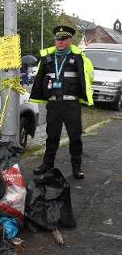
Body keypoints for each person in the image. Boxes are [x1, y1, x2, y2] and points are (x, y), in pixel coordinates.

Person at [29, 25, 94, 179]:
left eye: (63, 39)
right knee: (51, 136)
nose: (59, 42)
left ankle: (76, 167)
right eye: (57, 39)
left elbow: (90, 77)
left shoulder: (80, 58)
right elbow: (39, 79)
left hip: (71, 104)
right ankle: (47, 164)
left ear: (70, 40)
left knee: (75, 137)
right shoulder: (47, 59)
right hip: (54, 104)